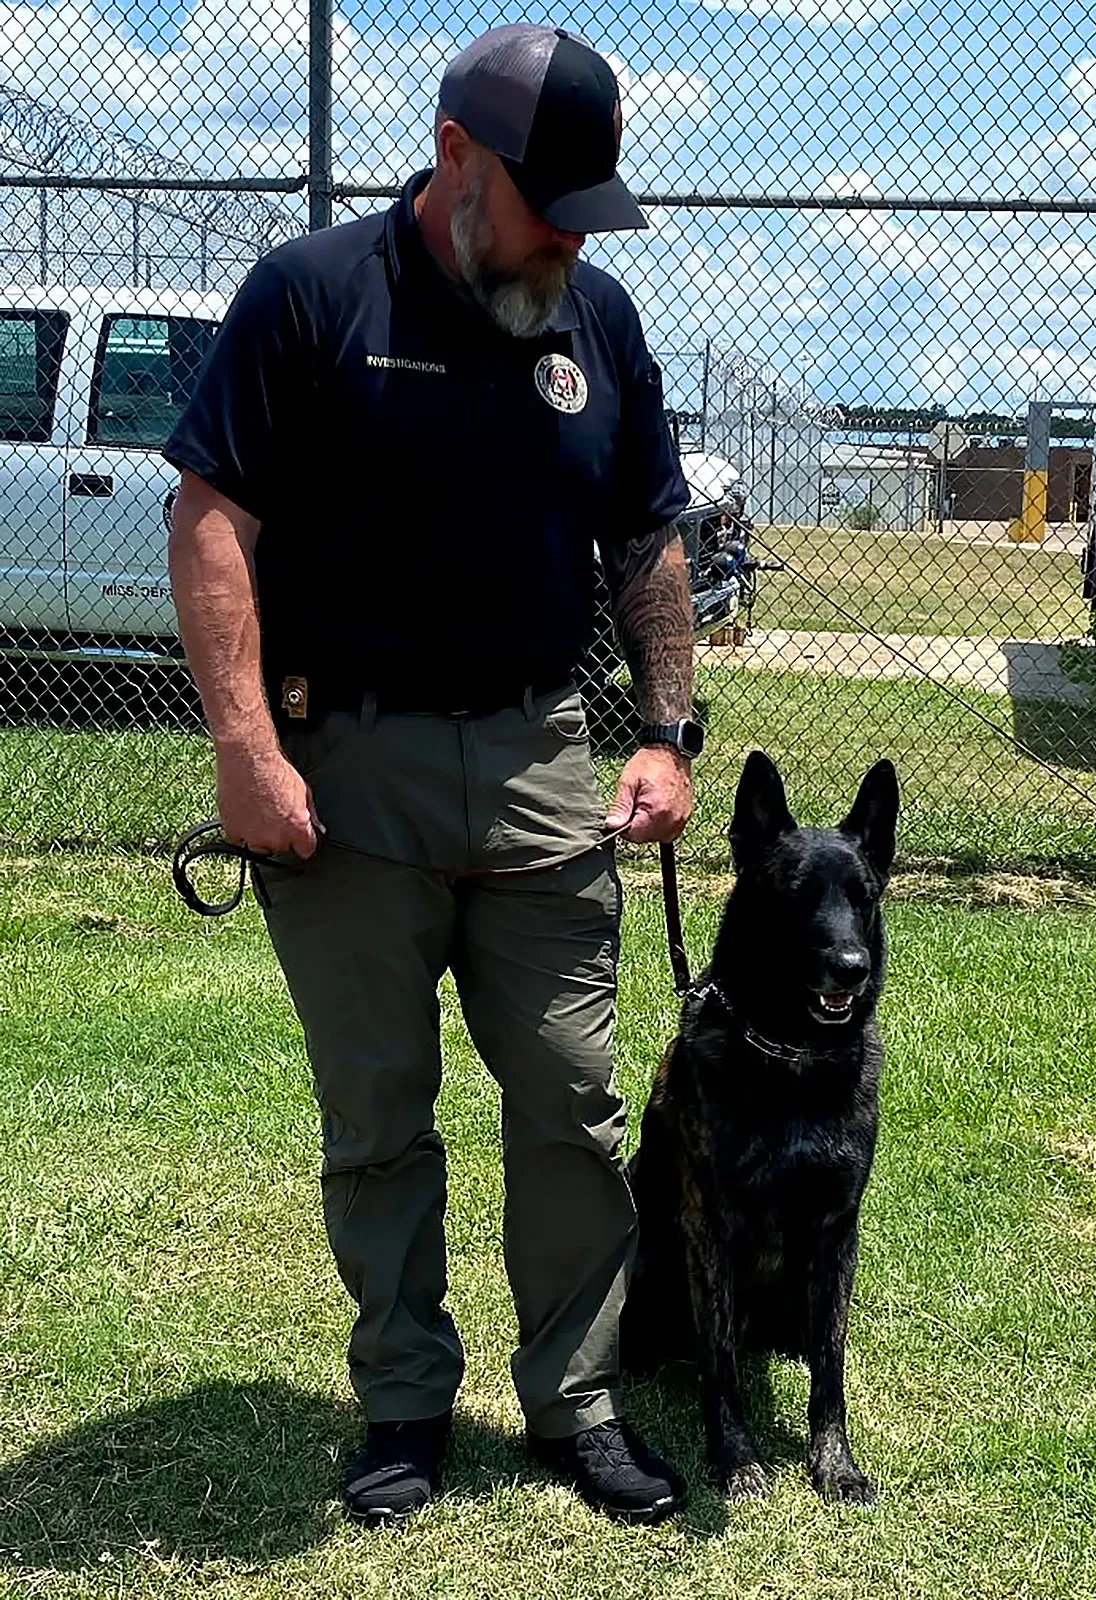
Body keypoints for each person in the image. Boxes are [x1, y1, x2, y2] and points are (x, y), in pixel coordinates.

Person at [165, 22, 706, 1528]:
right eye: (547, 208)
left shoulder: (594, 317)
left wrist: (665, 733)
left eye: (588, 217)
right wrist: (246, 750)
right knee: (379, 1112)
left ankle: (577, 1399)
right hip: (351, 769)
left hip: (542, 759)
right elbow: (211, 519)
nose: (568, 244)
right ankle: (404, 1399)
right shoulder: (310, 294)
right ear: (455, 155)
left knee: (574, 1099)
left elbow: (646, 535)